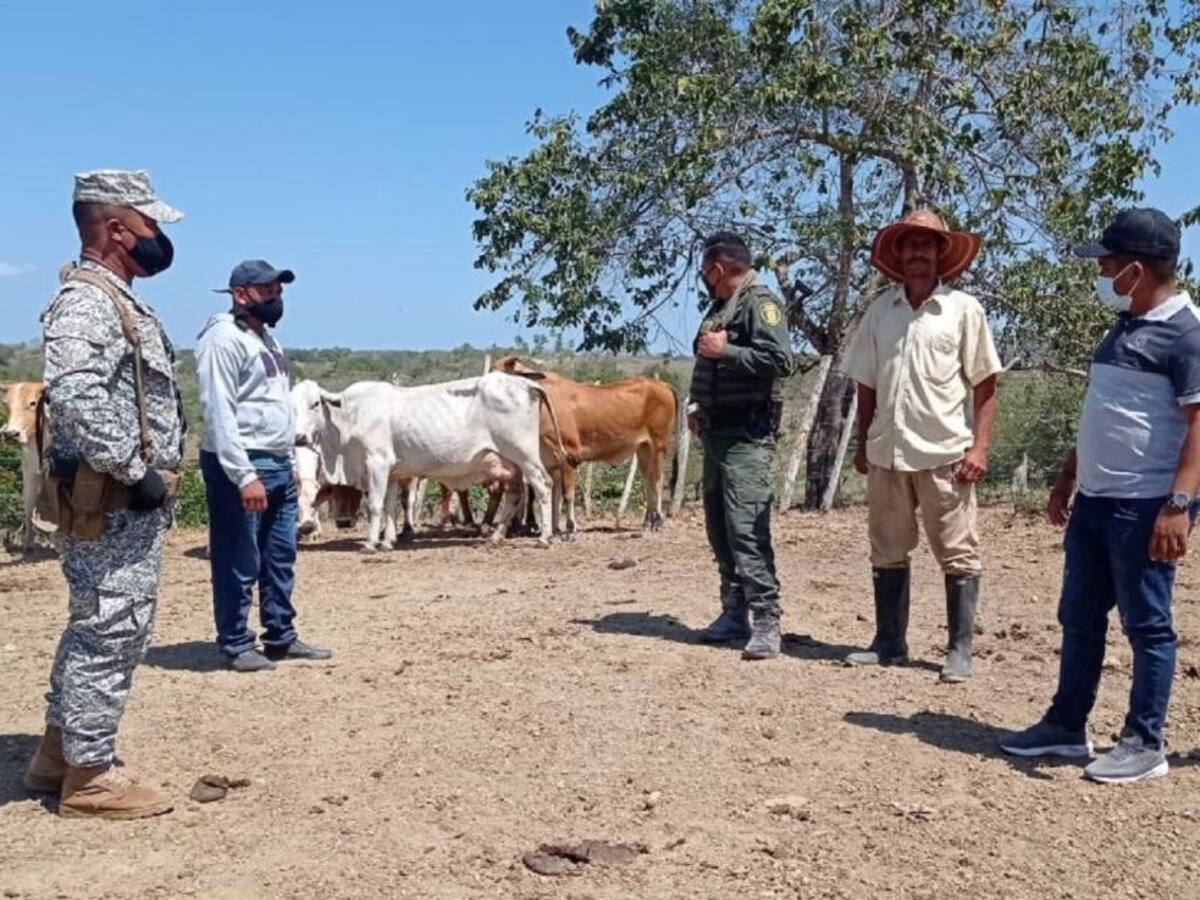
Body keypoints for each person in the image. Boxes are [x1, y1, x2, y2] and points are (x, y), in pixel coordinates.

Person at [1001, 208, 1200, 784]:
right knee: (1080, 616)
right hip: (1095, 499)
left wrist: (1178, 506)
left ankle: (1144, 742)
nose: (1102, 275)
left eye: (1108, 265)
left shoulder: (1187, 335)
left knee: (1147, 624)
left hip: (1145, 504)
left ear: (1137, 270)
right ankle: (1066, 726)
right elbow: (1105, 410)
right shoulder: (1122, 326)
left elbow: (1199, 426)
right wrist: (1069, 475)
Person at [24, 169, 185, 818]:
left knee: (95, 624)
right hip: (112, 504)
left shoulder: (112, 296)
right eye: (150, 224)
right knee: (112, 630)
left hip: (116, 504)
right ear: (118, 228)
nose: (158, 238)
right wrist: (134, 471)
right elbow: (77, 395)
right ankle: (90, 776)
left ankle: (56, 754)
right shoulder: (89, 301)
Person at [840, 208, 1003, 682]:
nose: (917, 252)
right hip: (887, 451)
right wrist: (863, 441)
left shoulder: (963, 310)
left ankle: (959, 649)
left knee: (957, 550)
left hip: (944, 452)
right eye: (909, 244)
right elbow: (866, 384)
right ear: (898, 253)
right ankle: (889, 642)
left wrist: (979, 448)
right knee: (887, 547)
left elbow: (985, 383)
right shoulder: (880, 311)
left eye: (926, 244)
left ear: (940, 253)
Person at [196, 260, 331, 672]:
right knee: (238, 558)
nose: (276, 297)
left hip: (276, 463)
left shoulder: (268, 340)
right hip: (242, 465)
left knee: (279, 557)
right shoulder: (222, 340)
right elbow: (219, 412)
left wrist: (288, 460)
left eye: (278, 290)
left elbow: (273, 405)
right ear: (240, 294)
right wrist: (243, 475)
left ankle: (280, 636)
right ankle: (236, 643)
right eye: (266, 290)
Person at [689, 231, 794, 660]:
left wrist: (727, 351)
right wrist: (698, 404)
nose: (704, 279)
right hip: (717, 432)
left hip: (747, 437)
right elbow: (708, 361)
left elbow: (780, 360)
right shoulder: (721, 306)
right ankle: (733, 612)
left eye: (705, 272)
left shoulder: (760, 303)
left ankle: (767, 619)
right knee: (719, 527)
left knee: (747, 528)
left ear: (717, 269)